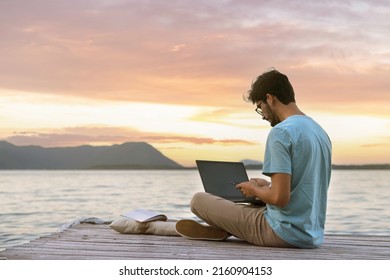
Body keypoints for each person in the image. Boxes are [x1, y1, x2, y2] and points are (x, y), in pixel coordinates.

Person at [175, 68, 332, 248]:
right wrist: (268, 187)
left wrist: (253, 190)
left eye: (259, 107)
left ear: (270, 98)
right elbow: (303, 187)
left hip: (281, 232)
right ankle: (225, 227)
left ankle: (224, 228)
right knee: (250, 206)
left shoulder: (281, 132)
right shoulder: (319, 132)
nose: (263, 115)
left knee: (199, 201)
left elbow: (280, 199)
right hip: (311, 234)